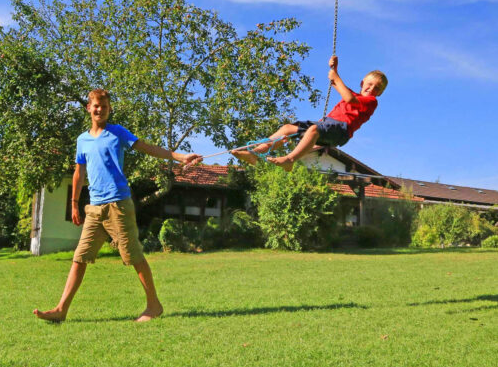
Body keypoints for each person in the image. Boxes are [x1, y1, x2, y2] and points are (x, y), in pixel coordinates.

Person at [34, 89, 201, 323]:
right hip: (94, 208)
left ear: (109, 109)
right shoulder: (82, 140)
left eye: (104, 106)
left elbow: (147, 148)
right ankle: (61, 309)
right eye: (95, 106)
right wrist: (74, 203)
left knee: (133, 256)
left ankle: (154, 305)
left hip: (118, 205)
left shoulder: (117, 133)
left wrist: (179, 156)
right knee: (79, 257)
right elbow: (79, 172)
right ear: (89, 108)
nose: (99, 109)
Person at [232, 55, 387, 171]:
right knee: (287, 128)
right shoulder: (354, 94)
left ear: (379, 93)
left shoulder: (372, 101)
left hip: (341, 131)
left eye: (377, 88)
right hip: (327, 124)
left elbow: (347, 97)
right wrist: (335, 69)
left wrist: (336, 76)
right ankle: (256, 153)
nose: (372, 89)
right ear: (362, 83)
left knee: (314, 130)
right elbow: (337, 84)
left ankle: (289, 159)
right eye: (370, 84)